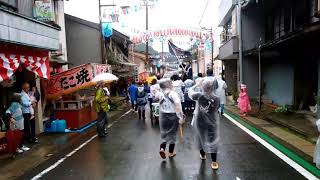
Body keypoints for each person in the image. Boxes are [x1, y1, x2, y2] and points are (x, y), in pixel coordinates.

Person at [188, 77, 220, 170]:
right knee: (213, 140)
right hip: (212, 122)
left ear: (203, 87)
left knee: (200, 138)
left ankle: (203, 155)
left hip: (200, 121)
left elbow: (189, 91)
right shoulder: (216, 98)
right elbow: (216, 109)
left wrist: (197, 84)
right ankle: (214, 162)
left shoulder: (198, 96)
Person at [154, 78, 184, 159]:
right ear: (169, 84)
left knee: (164, 134)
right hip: (172, 116)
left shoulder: (160, 94)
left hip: (163, 116)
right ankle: (170, 153)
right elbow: (178, 105)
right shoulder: (173, 94)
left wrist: (157, 92)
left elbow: (155, 98)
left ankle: (162, 149)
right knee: (172, 135)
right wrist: (180, 117)